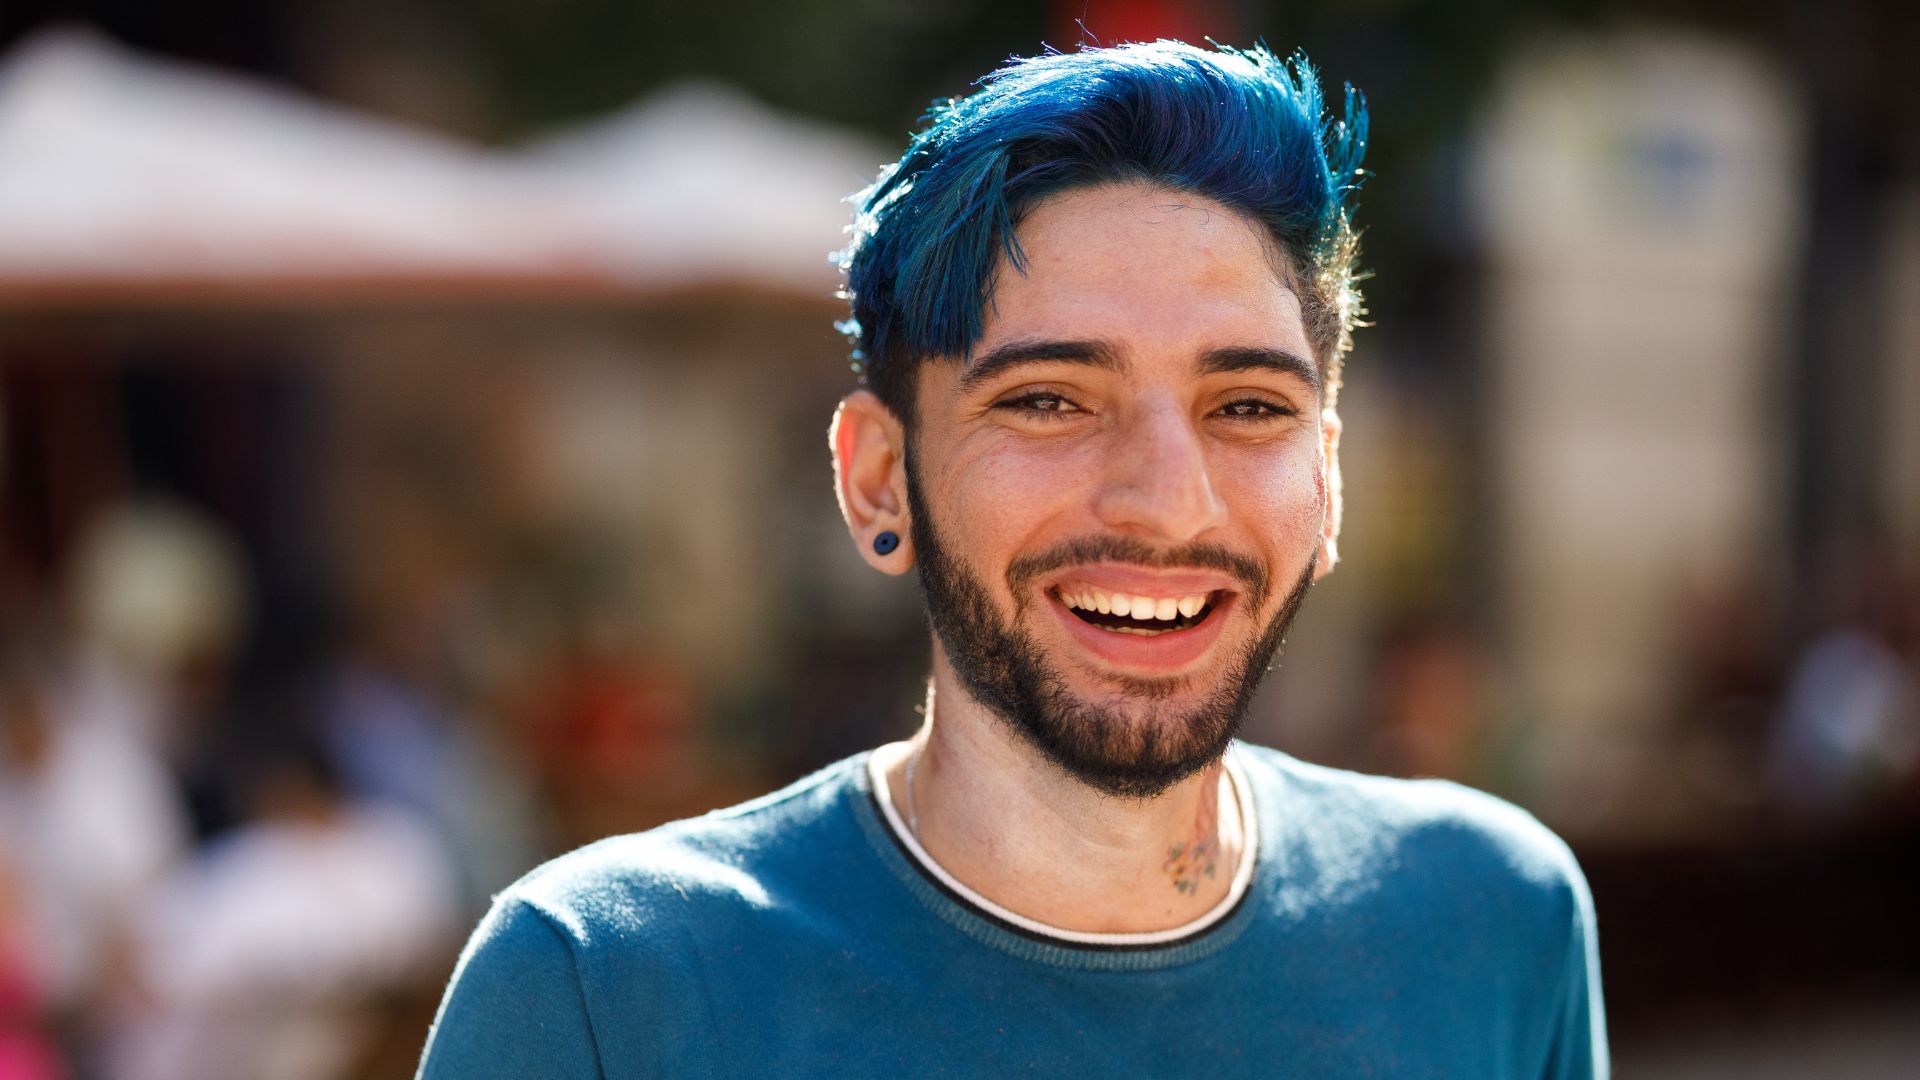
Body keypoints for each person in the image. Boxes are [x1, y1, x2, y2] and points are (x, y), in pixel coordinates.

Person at [416, 40, 1607, 1078]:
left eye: (1248, 407)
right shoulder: (604, 990)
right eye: (1048, 399)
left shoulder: (1497, 923)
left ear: (1330, 481)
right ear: (880, 479)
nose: (1167, 503)